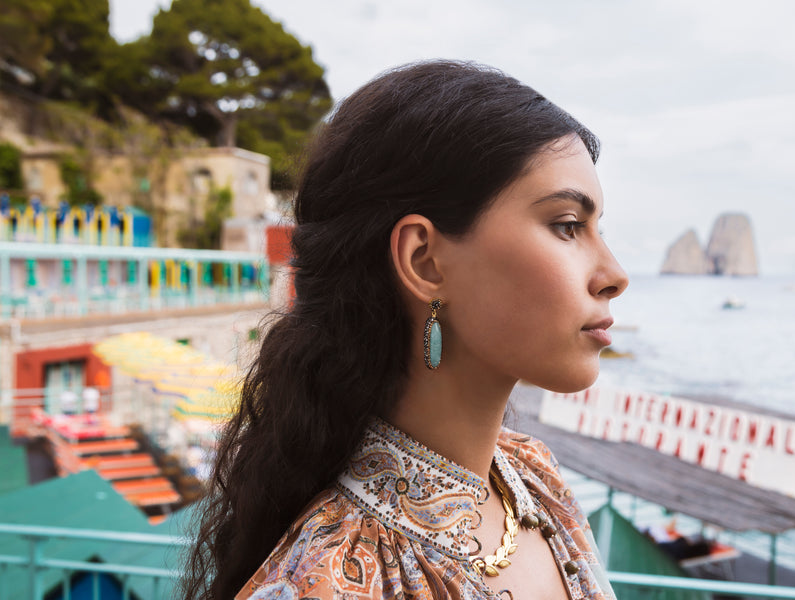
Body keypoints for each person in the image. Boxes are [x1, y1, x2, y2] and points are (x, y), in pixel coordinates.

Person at [182, 60, 628, 600]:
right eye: (567, 226)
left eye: (598, 229)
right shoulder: (326, 583)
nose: (614, 276)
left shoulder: (536, 481)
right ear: (424, 261)